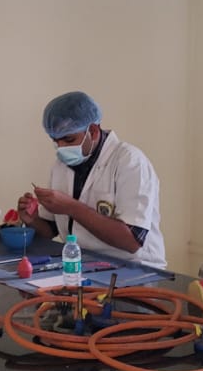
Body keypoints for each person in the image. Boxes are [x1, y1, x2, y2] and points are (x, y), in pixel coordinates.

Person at [18, 91, 166, 269]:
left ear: (93, 131)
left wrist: (71, 207)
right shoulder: (61, 165)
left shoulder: (130, 162)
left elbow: (132, 241)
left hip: (135, 269)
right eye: (56, 141)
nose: (62, 148)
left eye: (69, 139)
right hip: (83, 266)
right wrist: (32, 219)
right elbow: (51, 229)